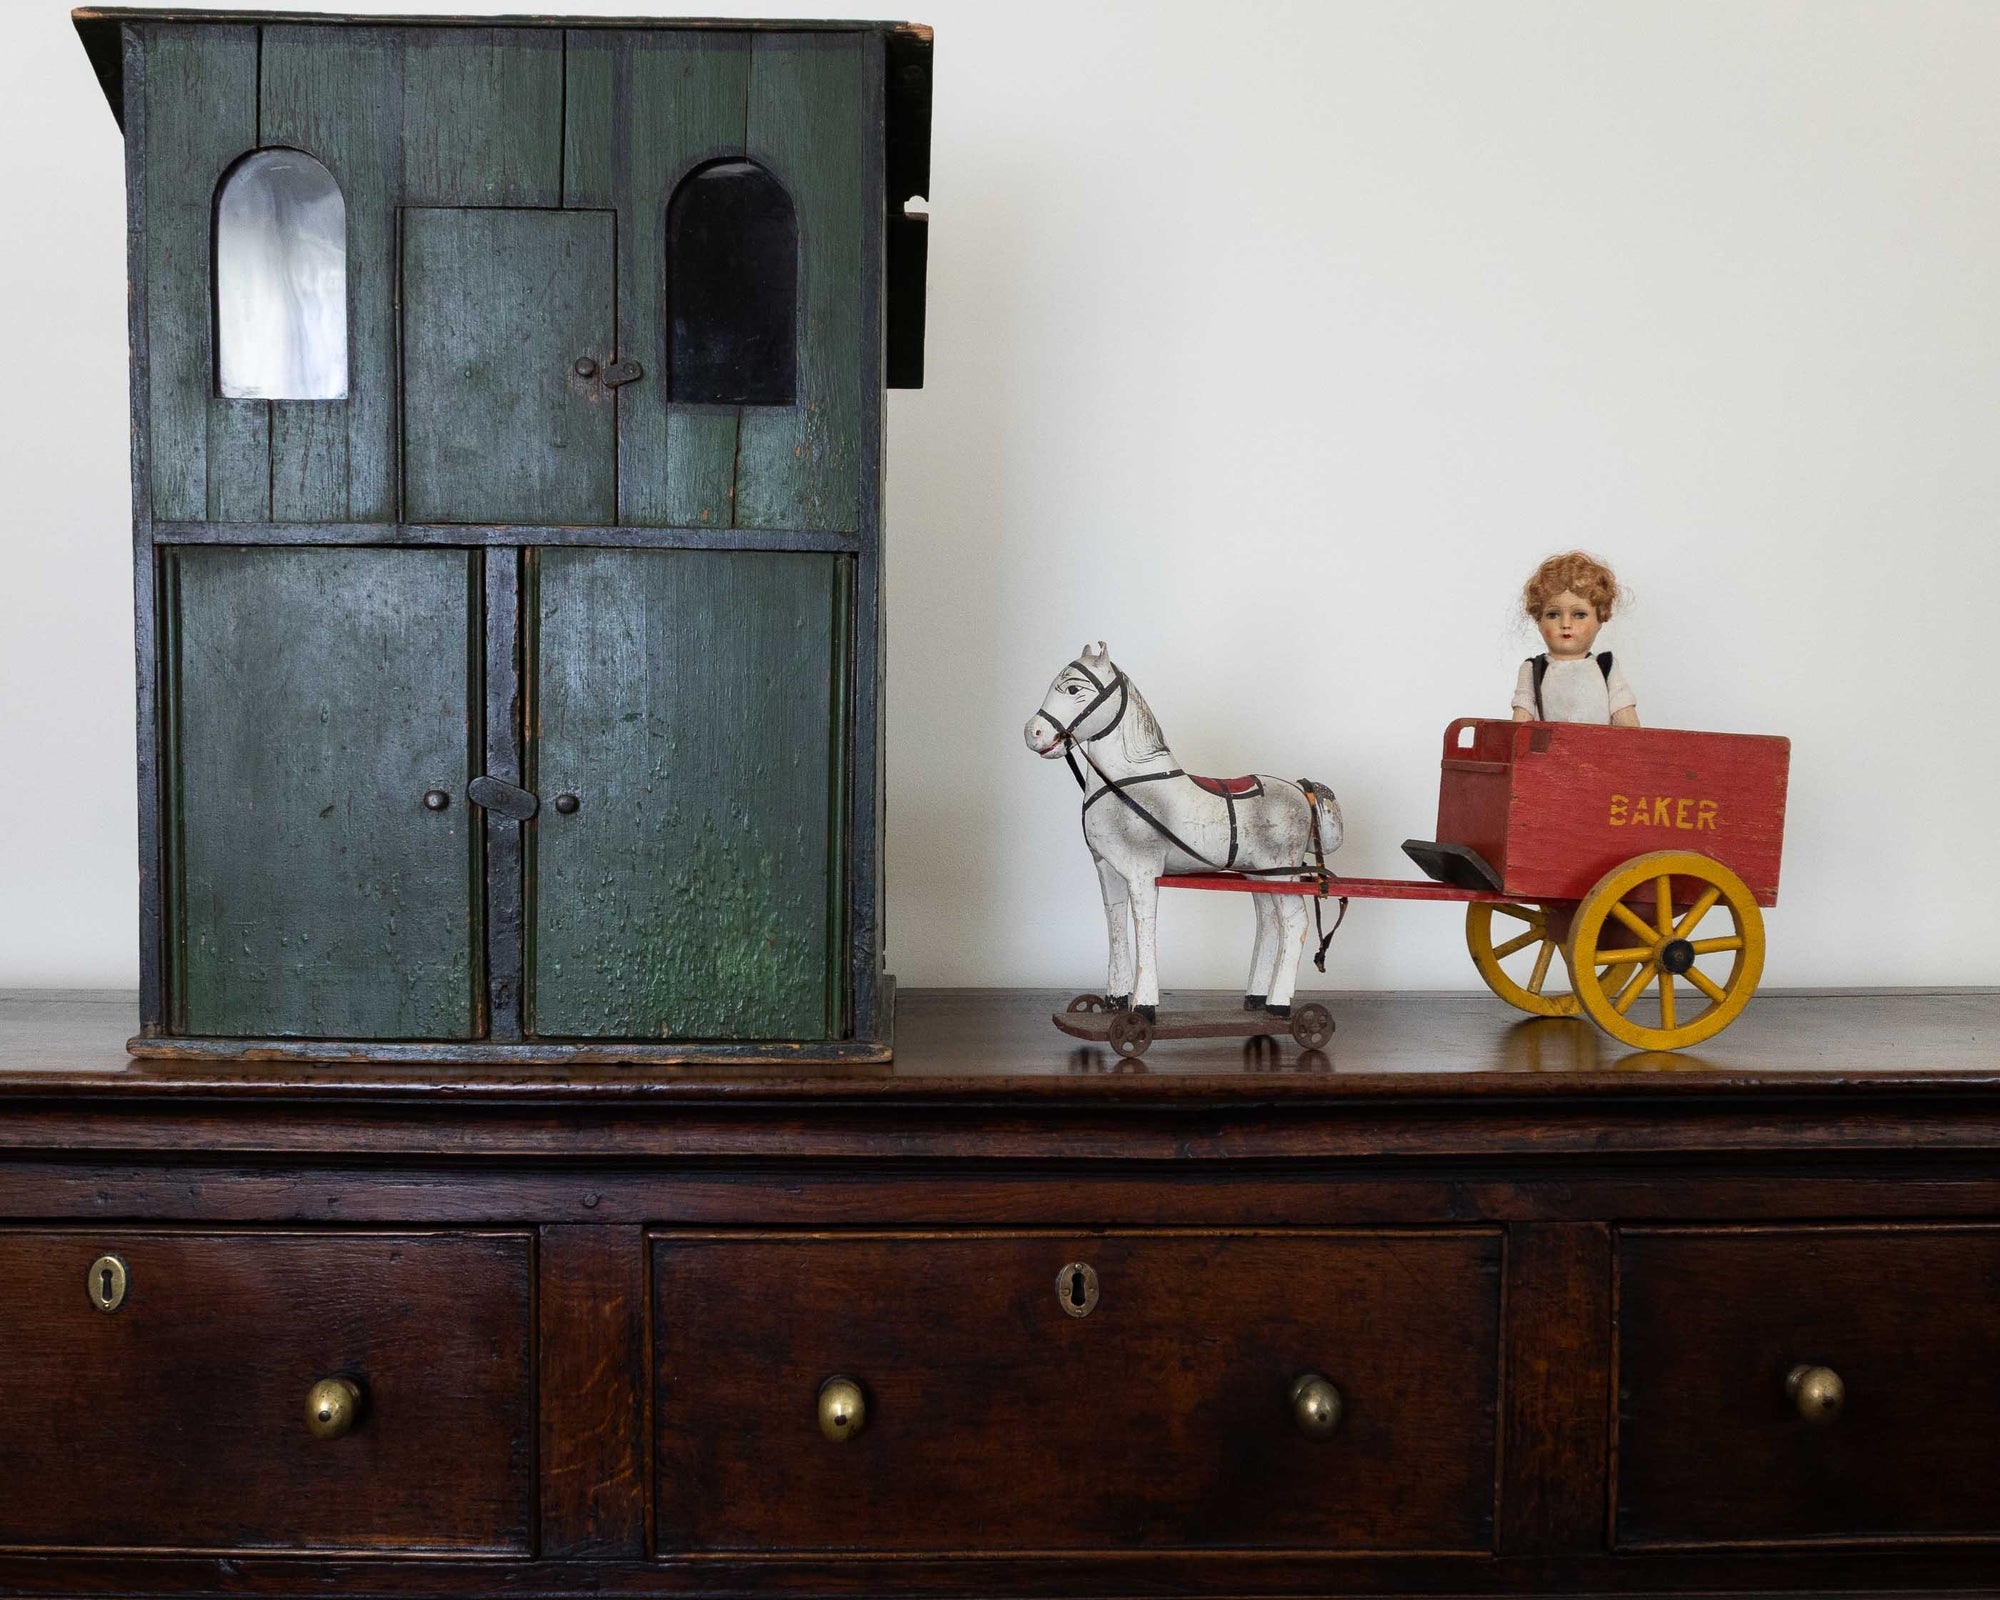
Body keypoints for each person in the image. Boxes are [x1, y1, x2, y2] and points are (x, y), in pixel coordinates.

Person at [1511, 551, 1640, 727]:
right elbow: (1520, 723)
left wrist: (1637, 748)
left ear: (1600, 618)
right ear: (1539, 621)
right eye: (1553, 614)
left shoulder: (1606, 667)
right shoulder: (1533, 670)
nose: (1565, 624)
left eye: (1579, 615)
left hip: (1598, 751)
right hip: (1550, 752)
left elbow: (1624, 714)